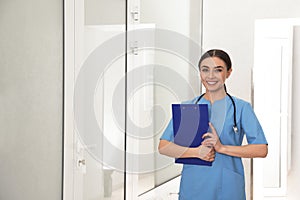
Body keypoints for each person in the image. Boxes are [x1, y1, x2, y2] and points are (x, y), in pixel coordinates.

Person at [158, 49, 268, 200]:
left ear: (228, 72)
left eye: (218, 70)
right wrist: (197, 152)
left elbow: (261, 149)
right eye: (205, 70)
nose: (210, 76)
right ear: (200, 73)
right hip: (193, 186)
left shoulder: (241, 108)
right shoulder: (188, 108)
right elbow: (163, 146)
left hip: (229, 187)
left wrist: (222, 148)